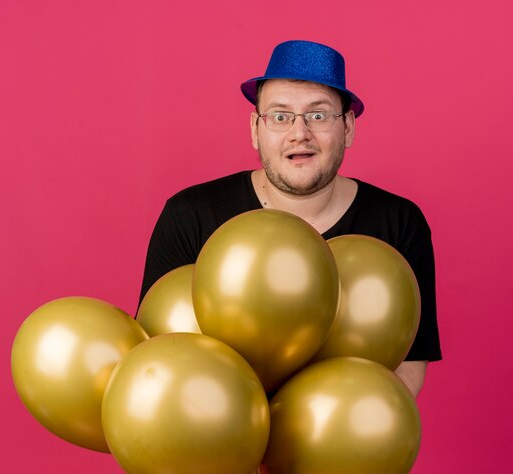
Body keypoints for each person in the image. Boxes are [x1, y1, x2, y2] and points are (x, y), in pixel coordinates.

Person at [139, 40, 442, 397]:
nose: (299, 133)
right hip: (212, 440)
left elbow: (408, 362)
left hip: (336, 444)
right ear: (255, 129)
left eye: (318, 115)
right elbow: (152, 359)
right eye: (280, 116)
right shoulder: (189, 215)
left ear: (348, 128)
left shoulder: (399, 223)